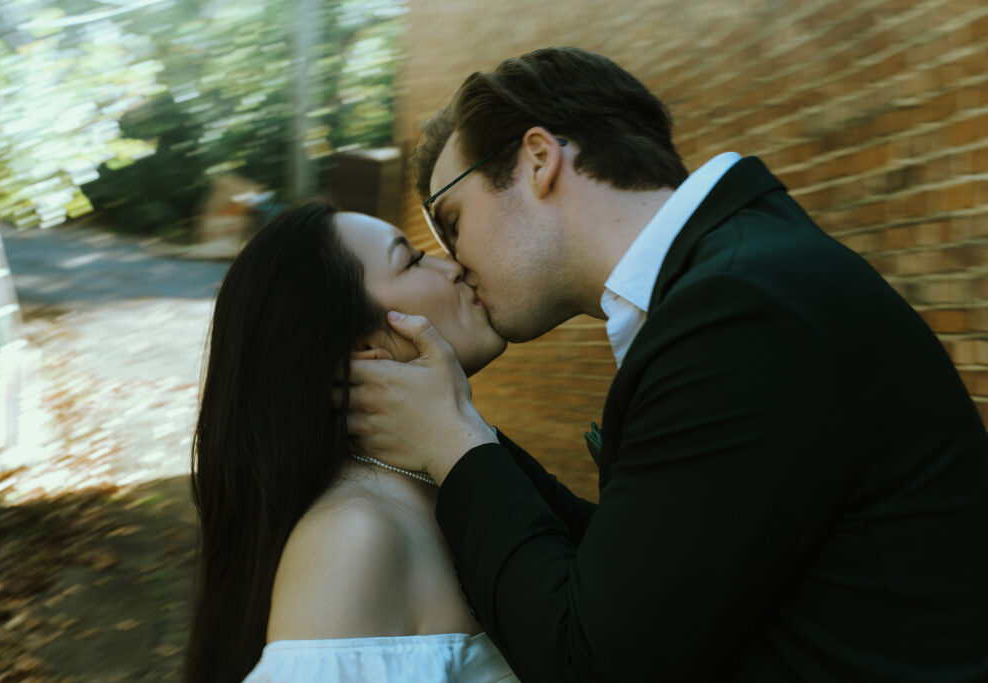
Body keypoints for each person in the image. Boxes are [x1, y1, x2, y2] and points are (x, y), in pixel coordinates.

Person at [343, 47, 988, 682]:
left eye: (450, 222)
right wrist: (451, 425)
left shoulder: (737, 314)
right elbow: (646, 577)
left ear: (538, 161)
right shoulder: (737, 279)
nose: (452, 260)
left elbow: (595, 660)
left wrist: (454, 448)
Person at [185, 203, 518, 682]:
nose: (454, 267)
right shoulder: (355, 536)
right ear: (362, 349)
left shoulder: (433, 480)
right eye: (413, 260)